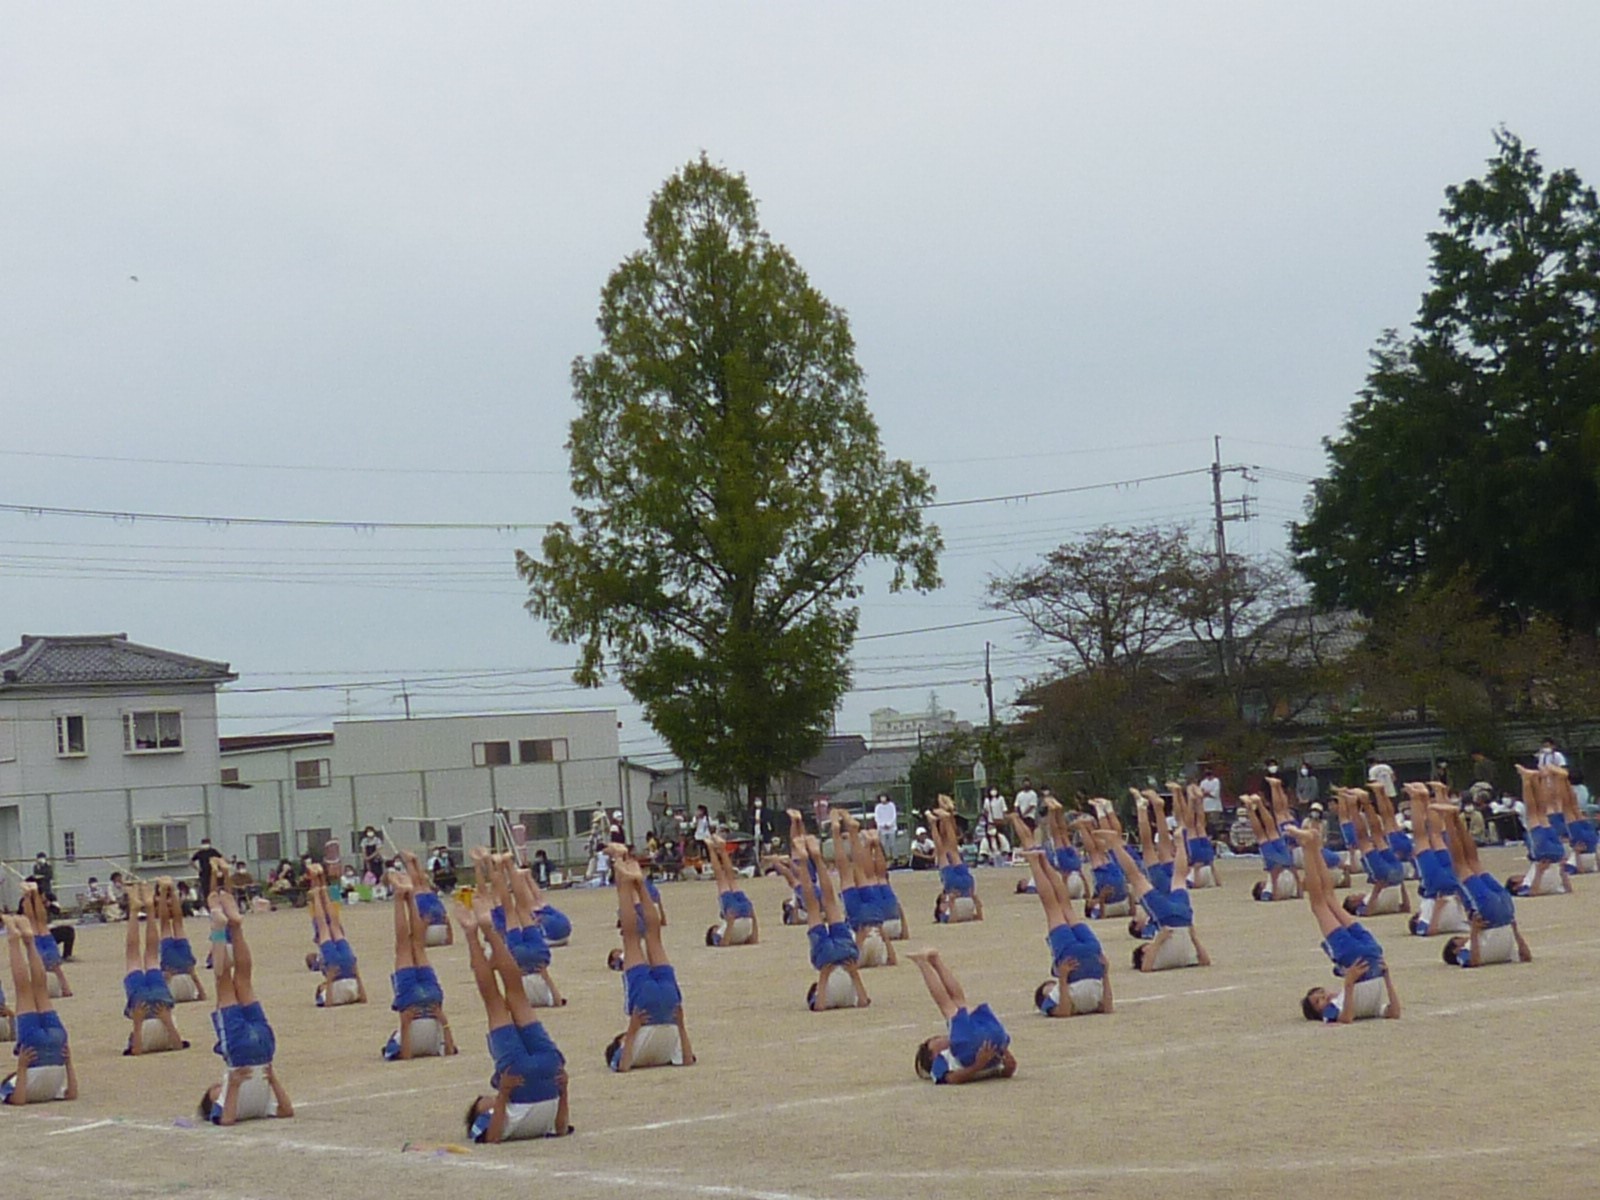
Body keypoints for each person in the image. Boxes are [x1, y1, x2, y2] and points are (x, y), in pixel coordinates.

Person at [455, 897, 572, 1142]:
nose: (485, 1096)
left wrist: (562, 1088)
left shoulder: (502, 1105)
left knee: (512, 996)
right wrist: (504, 1093)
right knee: (499, 1000)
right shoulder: (490, 1113)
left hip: (546, 1070)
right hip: (526, 1076)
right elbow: (493, 1138)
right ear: (479, 1112)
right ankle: (479, 932)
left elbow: (560, 1128)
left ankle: (483, 932)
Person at [1285, 823, 1401, 1023]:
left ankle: (1312, 846)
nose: (1325, 997)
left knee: (1326, 900)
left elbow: (1348, 1017)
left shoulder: (1339, 1001)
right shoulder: (1335, 1007)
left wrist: (1348, 984)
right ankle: (1309, 846)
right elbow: (1392, 1012)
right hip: (1365, 957)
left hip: (1365, 956)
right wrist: (1387, 978)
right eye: (1319, 1001)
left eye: (1321, 995)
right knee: (1321, 903)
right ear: (1319, 1013)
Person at [199, 890, 294, 1124]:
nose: (216, 1086)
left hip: (264, 1051)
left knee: (242, 980)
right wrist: (233, 1085)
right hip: (242, 1054)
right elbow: (226, 1120)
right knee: (226, 982)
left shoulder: (254, 1104)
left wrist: (268, 1079)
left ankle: (236, 926)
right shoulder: (223, 1100)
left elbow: (285, 1110)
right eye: (214, 1089)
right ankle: (221, 928)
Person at [1011, 814, 1111, 1017]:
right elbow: (1104, 1008)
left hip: (1084, 958)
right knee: (1058, 907)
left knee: (1059, 907)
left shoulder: (1055, 996)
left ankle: (1040, 863)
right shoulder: (1054, 997)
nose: (1051, 985)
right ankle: (1039, 863)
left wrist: (1062, 978)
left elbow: (1069, 1011)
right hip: (1086, 960)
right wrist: (1104, 973)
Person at [605, 852, 695, 1072]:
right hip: (651, 1006)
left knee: (649, 937)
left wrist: (635, 1029)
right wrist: (633, 1028)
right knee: (635, 938)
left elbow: (686, 1058)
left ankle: (635, 881)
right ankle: (633, 882)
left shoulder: (640, 1048)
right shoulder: (629, 1045)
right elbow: (687, 1060)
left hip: (668, 1005)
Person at [1429, 798, 1533, 967]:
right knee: (1462, 865)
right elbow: (1474, 962)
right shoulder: (1463, 953)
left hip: (1505, 913)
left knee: (1473, 862)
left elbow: (1526, 957)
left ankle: (1455, 818)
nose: (1462, 938)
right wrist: (1474, 931)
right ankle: (1450, 819)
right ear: (1455, 950)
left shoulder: (1480, 945)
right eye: (1457, 940)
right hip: (1490, 916)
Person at [1092, 829, 1211, 973]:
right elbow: (1146, 967)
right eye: (1145, 946)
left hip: (1180, 919)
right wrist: (1192, 938)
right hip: (1173, 919)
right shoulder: (1154, 956)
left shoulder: (1161, 955)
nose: (1148, 945)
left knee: (1175, 877)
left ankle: (1180, 843)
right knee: (1139, 877)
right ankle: (1115, 843)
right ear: (1144, 953)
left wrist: (1159, 941)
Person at [787, 812, 870, 1011]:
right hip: (831, 958)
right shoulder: (826, 996)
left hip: (844, 955)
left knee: (829, 903)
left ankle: (813, 858)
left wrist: (849, 973)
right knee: (816, 905)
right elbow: (821, 1007)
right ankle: (809, 858)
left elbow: (863, 1001)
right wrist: (825, 976)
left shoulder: (841, 997)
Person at [382, 870, 459, 1061]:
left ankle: (406, 897)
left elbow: (407, 1056)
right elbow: (407, 1055)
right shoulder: (398, 1040)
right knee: (409, 946)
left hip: (421, 1004)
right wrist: (443, 1020)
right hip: (427, 1004)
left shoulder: (401, 1039)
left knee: (413, 946)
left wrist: (407, 1024)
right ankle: (403, 898)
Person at [2, 912, 77, 1105]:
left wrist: (68, 1063)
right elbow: (18, 1100)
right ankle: (19, 939)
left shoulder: (48, 1088)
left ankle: (28, 940)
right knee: (25, 991)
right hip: (36, 1049)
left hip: (57, 1044)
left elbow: (71, 1093)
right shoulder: (15, 1083)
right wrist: (22, 1067)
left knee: (39, 990)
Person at [909, 949, 1016, 1084]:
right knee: (948, 1004)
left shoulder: (955, 1042)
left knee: (959, 1002)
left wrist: (1007, 1064)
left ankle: (934, 961)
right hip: (974, 1044)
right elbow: (951, 1078)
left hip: (991, 1036)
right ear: (933, 1055)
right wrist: (978, 1066)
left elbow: (1007, 1070)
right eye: (935, 1040)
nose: (941, 1037)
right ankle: (925, 963)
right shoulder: (942, 1059)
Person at [479, 850, 565, 1008]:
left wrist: (545, 974)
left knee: (522, 909)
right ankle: (500, 866)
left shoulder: (538, 1001)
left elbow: (558, 1000)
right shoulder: (521, 1002)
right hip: (519, 965)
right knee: (509, 910)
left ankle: (510, 866)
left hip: (538, 961)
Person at [120, 881, 189, 1055]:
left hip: (158, 1003)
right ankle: (137, 911)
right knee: (134, 955)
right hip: (148, 1007)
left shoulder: (158, 1041)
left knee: (150, 955)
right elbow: (136, 1050)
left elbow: (178, 1044)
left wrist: (140, 1022)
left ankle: (149, 910)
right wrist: (139, 1023)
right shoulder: (144, 1041)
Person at [1402, 785, 1470, 938]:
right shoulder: (1426, 922)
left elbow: (1430, 931)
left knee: (1430, 837)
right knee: (1429, 837)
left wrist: (1441, 908)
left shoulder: (1428, 920)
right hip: (1443, 887)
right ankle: (1421, 799)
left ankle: (1421, 798)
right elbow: (1431, 931)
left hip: (1442, 887)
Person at [1335, 789, 1411, 916]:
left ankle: (1365, 802)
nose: (1357, 894)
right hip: (1383, 877)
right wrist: (1377, 889)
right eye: (1353, 896)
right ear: (1353, 902)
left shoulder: (1380, 903)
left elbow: (1405, 907)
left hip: (1395, 876)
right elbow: (1368, 912)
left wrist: (1401, 884)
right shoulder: (1361, 907)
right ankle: (1357, 805)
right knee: (1365, 838)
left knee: (1377, 836)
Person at [832, 811, 894, 967]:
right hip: (859, 924)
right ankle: (837, 833)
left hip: (874, 920)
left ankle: (853, 833)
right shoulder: (868, 960)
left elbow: (892, 959)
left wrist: (883, 936)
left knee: (860, 871)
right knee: (846, 875)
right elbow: (853, 964)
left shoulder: (878, 958)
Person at [304, 864, 368, 1007]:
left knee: (332, 926)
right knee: (327, 926)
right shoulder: (329, 990)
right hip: (343, 971)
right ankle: (319, 887)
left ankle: (320, 887)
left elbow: (329, 1004)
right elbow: (329, 1004)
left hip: (345, 969)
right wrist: (330, 979)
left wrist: (330, 979)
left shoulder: (330, 991)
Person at [1505, 765, 1573, 896]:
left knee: (1541, 812)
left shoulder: (1530, 880)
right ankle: (1527, 779)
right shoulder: (1524, 885)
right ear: (1515, 885)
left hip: (1557, 855)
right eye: (1515, 878)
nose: (1519, 875)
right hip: (1543, 854)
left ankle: (1537, 779)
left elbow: (1568, 889)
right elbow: (1533, 892)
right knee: (1533, 813)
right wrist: (1539, 872)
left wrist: (1562, 871)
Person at [925, 800, 982, 922]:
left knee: (950, 851)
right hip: (960, 888)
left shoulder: (946, 912)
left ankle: (945, 819)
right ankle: (938, 822)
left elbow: (975, 916)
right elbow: (955, 919)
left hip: (965, 887)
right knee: (948, 851)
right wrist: (951, 902)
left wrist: (952, 901)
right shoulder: (945, 912)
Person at [1238, 791, 1300, 902]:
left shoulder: (1286, 890)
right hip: (1276, 866)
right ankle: (1252, 806)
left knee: (1272, 832)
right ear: (1260, 888)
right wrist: (1274, 879)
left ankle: (1257, 804)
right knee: (1263, 835)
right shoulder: (1267, 890)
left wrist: (1293, 873)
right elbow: (1273, 896)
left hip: (1287, 866)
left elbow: (1299, 892)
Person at [153, 876, 206, 1003]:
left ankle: (169, 889)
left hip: (183, 968)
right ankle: (168, 889)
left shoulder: (186, 992)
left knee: (176, 924)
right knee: (168, 925)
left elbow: (200, 991)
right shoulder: (173, 994)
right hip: (174, 969)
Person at [703, 834, 758, 946]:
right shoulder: (717, 934)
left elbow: (754, 939)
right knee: (723, 879)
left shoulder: (738, 937)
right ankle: (714, 849)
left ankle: (721, 850)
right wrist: (730, 923)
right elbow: (724, 943)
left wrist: (754, 918)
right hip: (736, 916)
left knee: (730, 880)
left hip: (746, 915)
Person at [17, 883, 69, 997]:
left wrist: (26, 897)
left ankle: (28, 894)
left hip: (35, 937)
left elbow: (22, 915)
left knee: (37, 967)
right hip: (46, 935)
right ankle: (66, 988)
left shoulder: (25, 906)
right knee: (56, 968)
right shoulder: (45, 902)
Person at [190, 838, 225, 907]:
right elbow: (191, 861)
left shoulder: (213, 851)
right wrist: (197, 869)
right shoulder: (200, 853)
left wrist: (220, 868)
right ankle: (208, 905)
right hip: (204, 873)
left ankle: (217, 903)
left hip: (213, 872)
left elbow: (221, 858)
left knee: (215, 888)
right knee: (205, 889)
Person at [1198, 765, 1225, 838]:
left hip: (1214, 807)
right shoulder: (1203, 782)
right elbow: (1200, 793)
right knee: (1206, 823)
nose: (1208, 776)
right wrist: (1206, 793)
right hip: (1205, 806)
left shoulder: (1216, 781)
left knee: (1214, 823)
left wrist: (1207, 793)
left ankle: (1215, 836)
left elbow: (1215, 793)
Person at [873, 792, 900, 862]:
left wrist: (889, 824)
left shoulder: (891, 805)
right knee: (883, 844)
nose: (883, 798)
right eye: (881, 797)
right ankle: (885, 858)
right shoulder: (878, 807)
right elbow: (877, 817)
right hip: (882, 829)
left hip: (891, 828)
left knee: (893, 844)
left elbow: (894, 816)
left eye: (884, 796)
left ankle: (895, 858)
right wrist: (882, 825)